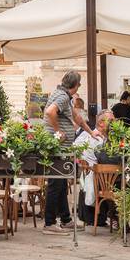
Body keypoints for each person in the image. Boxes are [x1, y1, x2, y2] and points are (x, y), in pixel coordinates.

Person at [42, 71, 80, 235]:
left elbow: (76, 116)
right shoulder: (63, 97)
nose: (79, 86)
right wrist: (59, 131)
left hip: (60, 148)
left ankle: (65, 219)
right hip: (57, 147)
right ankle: (49, 223)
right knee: (55, 184)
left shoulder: (61, 94)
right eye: (79, 84)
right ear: (74, 85)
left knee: (61, 183)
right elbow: (50, 112)